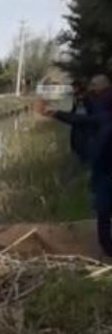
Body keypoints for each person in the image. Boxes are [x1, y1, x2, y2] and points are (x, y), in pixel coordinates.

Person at [39, 74, 112, 256]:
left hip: (105, 167)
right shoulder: (98, 102)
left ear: (104, 87)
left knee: (103, 209)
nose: (91, 88)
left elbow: (83, 120)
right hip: (102, 164)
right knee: (103, 208)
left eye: (94, 85)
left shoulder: (104, 106)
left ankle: (107, 249)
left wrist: (53, 112)